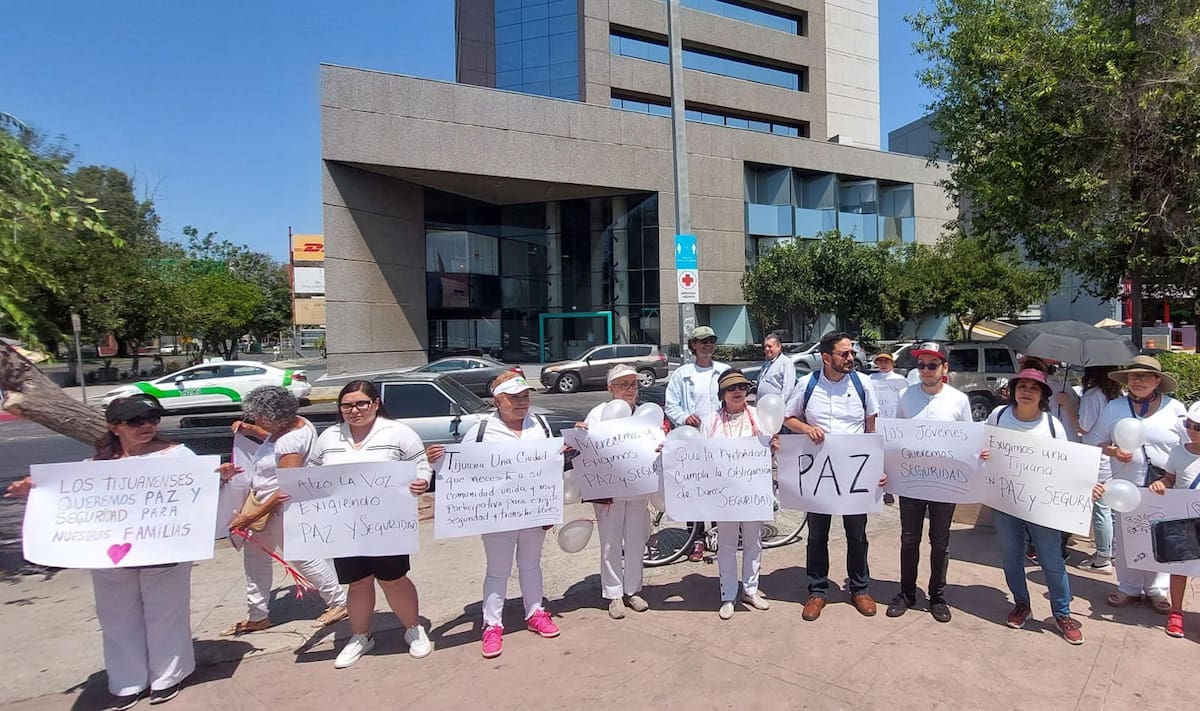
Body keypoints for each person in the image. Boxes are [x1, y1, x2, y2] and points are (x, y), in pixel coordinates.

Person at [6, 395, 198, 709]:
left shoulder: (179, 455)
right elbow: (68, 499)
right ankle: (128, 680)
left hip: (164, 550)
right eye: (135, 421)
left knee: (166, 613)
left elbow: (201, 491)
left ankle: (167, 676)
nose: (146, 426)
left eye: (152, 419)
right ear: (114, 426)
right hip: (111, 557)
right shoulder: (95, 467)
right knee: (117, 618)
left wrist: (221, 478)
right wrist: (34, 490)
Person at [427, 372, 561, 659]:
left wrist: (550, 504)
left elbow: (552, 463)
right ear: (497, 401)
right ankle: (492, 624)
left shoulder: (540, 424)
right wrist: (437, 460)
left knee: (531, 565)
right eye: (514, 398)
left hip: (533, 510)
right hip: (497, 514)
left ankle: (535, 612)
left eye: (525, 396)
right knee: (498, 570)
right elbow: (459, 467)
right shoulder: (482, 429)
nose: (521, 403)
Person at [307, 380, 433, 668]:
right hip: (344, 524)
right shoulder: (329, 437)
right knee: (358, 581)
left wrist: (422, 481)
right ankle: (360, 636)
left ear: (375, 403)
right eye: (347, 405)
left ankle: (413, 629)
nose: (354, 410)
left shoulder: (398, 432)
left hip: (387, 522)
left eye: (361, 403)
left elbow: (421, 463)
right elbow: (311, 472)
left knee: (393, 578)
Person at [218, 386, 348, 636]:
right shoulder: (299, 425)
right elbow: (270, 436)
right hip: (270, 507)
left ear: (270, 417)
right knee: (256, 559)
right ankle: (257, 614)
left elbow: (286, 487)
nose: (254, 420)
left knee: (301, 557)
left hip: (278, 509)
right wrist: (249, 430)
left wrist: (251, 516)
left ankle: (338, 602)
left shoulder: (289, 443)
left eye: (256, 417)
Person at [782, 331, 885, 621]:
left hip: (854, 474)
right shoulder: (808, 384)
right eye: (844, 353)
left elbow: (871, 427)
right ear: (826, 357)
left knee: (857, 535)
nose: (851, 358)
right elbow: (787, 417)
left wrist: (876, 467)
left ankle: (860, 589)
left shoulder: (863, 383)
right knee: (817, 535)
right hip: (820, 474)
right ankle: (817, 591)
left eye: (852, 352)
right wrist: (806, 429)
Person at [886, 342, 984, 623]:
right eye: (921, 365)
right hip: (912, 482)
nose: (926, 370)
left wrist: (980, 454)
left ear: (944, 368)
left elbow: (969, 440)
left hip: (945, 484)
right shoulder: (905, 396)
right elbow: (896, 436)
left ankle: (937, 596)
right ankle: (907, 593)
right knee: (909, 539)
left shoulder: (958, 400)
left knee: (940, 542)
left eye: (932, 365)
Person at [985, 369, 1084, 644]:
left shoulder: (1052, 426)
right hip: (1005, 500)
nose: (1026, 391)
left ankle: (1062, 613)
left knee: (1051, 559)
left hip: (1043, 505)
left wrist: (1088, 484)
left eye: (1034, 388)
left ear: (1042, 395)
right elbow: (983, 446)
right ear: (1013, 390)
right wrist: (983, 453)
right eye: (1022, 386)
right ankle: (1021, 604)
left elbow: (1068, 463)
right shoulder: (998, 416)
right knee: (1011, 555)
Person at [1092, 356, 1186, 612]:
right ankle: (1128, 587)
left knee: (1162, 536)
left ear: (1157, 380)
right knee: (1127, 537)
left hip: (1165, 484)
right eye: (1133, 376)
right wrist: (1113, 451)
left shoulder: (1175, 409)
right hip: (1126, 485)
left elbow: (1189, 445)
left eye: (1145, 376)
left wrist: (1173, 476)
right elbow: (1098, 440)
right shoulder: (1114, 407)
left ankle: (1157, 589)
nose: (1138, 381)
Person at [701, 369, 781, 619]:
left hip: (753, 493)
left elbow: (769, 450)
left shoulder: (759, 416)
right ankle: (728, 593)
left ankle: (750, 589)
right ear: (722, 394)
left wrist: (774, 447)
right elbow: (700, 455)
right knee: (726, 544)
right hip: (724, 495)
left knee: (753, 542)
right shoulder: (710, 421)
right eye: (732, 388)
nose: (738, 392)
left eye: (742, 387)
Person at [579, 364, 654, 620]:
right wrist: (580, 434)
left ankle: (632, 590)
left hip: (637, 488)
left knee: (636, 540)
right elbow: (586, 447)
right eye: (624, 384)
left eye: (633, 384)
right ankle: (613, 593)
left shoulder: (645, 414)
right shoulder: (598, 414)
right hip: (608, 491)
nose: (630, 389)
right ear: (610, 388)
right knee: (610, 542)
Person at [664, 325, 730, 560]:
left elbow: (736, 399)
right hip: (692, 441)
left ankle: (720, 534)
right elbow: (671, 405)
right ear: (693, 345)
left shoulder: (724, 371)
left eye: (711, 341)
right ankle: (696, 539)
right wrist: (684, 417)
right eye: (703, 341)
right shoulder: (682, 374)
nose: (708, 345)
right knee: (694, 490)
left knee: (720, 487)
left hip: (719, 439)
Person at [1149, 401, 1200, 638]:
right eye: (1189, 424)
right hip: (1182, 518)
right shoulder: (1178, 452)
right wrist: (1162, 484)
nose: (1191, 430)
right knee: (1180, 567)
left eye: (1198, 426)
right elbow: (1170, 478)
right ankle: (1176, 612)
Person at [1070, 366, 1123, 574]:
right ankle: (1114, 551)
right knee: (1112, 508)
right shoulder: (1118, 395)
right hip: (1113, 458)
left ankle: (1102, 558)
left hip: (1095, 456)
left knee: (1101, 509)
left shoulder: (1093, 396)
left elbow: (1083, 427)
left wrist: (1068, 406)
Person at [754, 333, 796, 408]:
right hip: (763, 407)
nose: (767, 349)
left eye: (770, 346)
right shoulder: (767, 363)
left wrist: (779, 406)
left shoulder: (786, 363)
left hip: (775, 408)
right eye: (765, 346)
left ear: (779, 347)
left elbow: (788, 389)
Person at [868, 351, 907, 419]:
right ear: (877, 363)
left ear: (892, 363)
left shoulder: (900, 379)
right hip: (876, 417)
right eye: (880, 361)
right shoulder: (870, 378)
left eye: (886, 361)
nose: (883, 364)